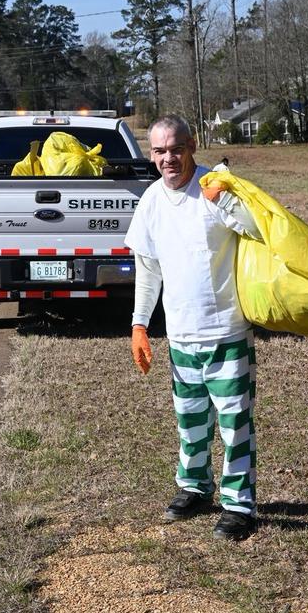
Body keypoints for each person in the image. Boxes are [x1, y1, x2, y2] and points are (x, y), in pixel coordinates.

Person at [125, 115, 261, 541]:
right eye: (160, 151)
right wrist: (139, 325)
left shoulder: (213, 191)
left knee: (234, 423)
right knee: (190, 421)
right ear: (152, 154)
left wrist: (229, 200)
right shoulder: (149, 201)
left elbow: (258, 232)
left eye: (177, 149)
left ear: (193, 145)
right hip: (181, 336)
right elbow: (148, 271)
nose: (169, 158)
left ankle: (239, 506)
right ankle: (195, 488)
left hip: (226, 332)